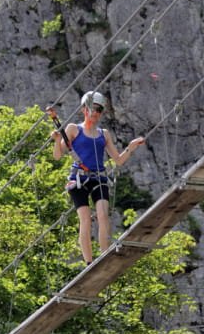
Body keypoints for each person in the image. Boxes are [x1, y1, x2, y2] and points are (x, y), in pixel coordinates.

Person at [50, 90, 146, 264]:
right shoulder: (73, 129)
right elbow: (58, 155)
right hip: (78, 179)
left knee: (103, 215)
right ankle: (88, 262)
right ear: (84, 109)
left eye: (99, 110)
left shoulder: (104, 134)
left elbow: (118, 160)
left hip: (98, 178)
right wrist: (57, 140)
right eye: (92, 108)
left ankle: (104, 255)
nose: (95, 113)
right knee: (85, 219)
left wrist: (131, 147)